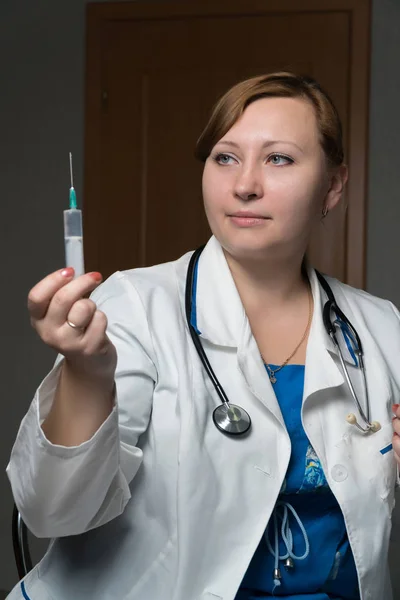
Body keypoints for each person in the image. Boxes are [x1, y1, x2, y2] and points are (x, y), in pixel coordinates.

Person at [6, 72, 400, 600]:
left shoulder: (380, 329)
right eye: (225, 157)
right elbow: (53, 511)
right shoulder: (132, 308)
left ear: (332, 185)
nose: (245, 184)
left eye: (278, 158)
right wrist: (87, 373)